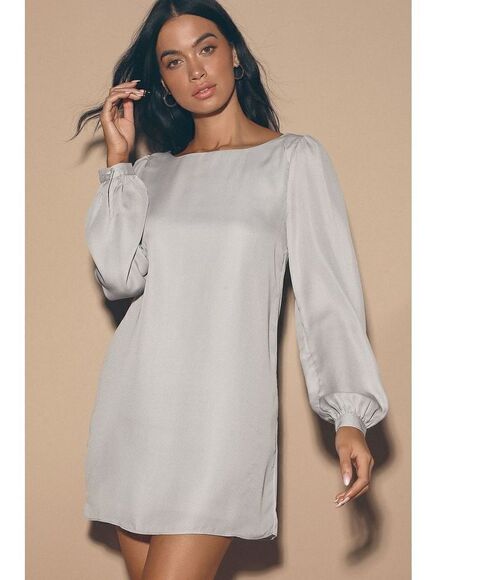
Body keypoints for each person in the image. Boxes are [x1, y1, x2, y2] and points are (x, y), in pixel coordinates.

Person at [73, 1, 389, 578]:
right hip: (138, 414)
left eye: (206, 48)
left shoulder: (292, 159)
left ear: (235, 55)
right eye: (174, 61)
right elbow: (119, 278)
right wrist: (119, 162)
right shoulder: (148, 175)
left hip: (222, 421)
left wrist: (349, 413)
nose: (195, 70)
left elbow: (328, 295)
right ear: (162, 83)